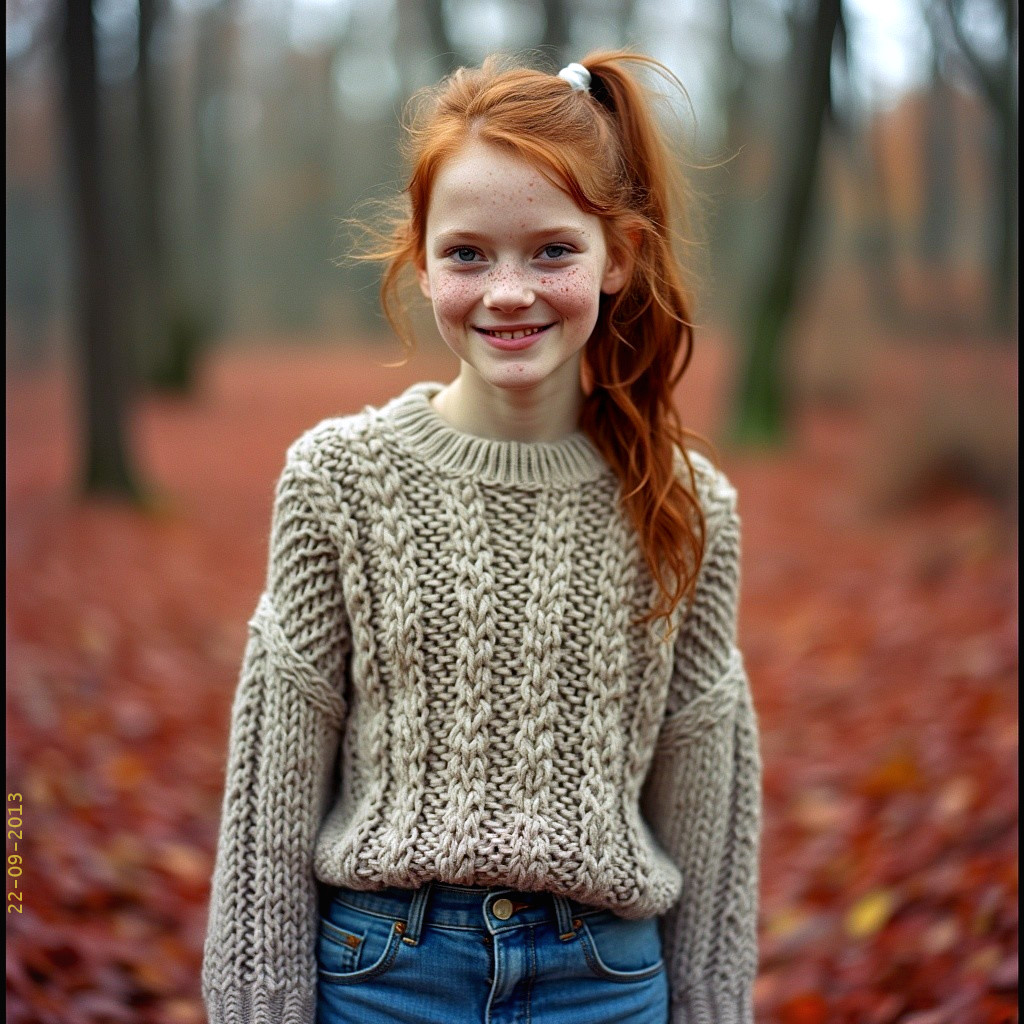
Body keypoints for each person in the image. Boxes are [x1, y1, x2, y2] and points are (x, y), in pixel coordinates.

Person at [201, 49, 761, 1024]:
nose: (509, 291)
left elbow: (706, 800)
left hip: (606, 983)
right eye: (468, 253)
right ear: (422, 261)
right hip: (383, 976)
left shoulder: (685, 504)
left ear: (617, 255)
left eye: (551, 250)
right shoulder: (337, 479)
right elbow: (273, 790)